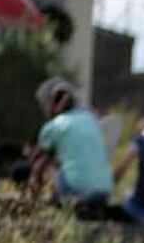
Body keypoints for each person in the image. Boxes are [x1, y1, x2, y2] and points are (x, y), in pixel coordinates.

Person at [28, 77, 113, 209]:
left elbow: (36, 158)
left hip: (77, 191)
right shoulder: (90, 119)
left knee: (43, 164)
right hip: (105, 192)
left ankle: (38, 202)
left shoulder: (54, 126)